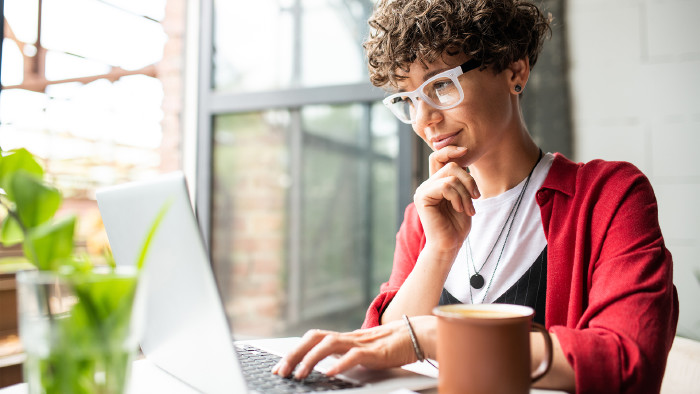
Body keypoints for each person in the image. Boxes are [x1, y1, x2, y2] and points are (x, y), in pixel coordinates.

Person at [272, 0, 678, 392]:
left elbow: (627, 364)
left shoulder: (609, 197)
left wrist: (440, 335)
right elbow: (379, 348)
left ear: (514, 70)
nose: (424, 119)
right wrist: (438, 251)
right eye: (408, 99)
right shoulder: (423, 216)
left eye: (441, 86)